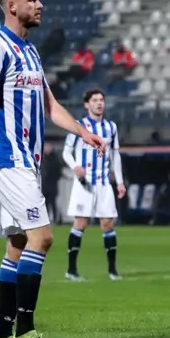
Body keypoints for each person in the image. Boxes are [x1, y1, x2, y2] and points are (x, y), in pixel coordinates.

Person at [0, 0, 105, 338]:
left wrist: (82, 131)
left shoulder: (30, 52)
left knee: (18, 244)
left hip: (28, 162)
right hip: (9, 161)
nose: (40, 5)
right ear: (12, 7)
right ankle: (25, 334)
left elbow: (49, 105)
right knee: (42, 238)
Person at [62, 88, 126, 281]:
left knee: (107, 224)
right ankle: (71, 270)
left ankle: (113, 270)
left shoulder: (111, 128)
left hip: (104, 182)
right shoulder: (78, 126)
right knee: (80, 223)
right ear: (86, 104)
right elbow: (66, 152)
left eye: (101, 100)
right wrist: (75, 167)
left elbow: (115, 155)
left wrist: (120, 181)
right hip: (84, 182)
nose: (99, 103)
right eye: (95, 100)